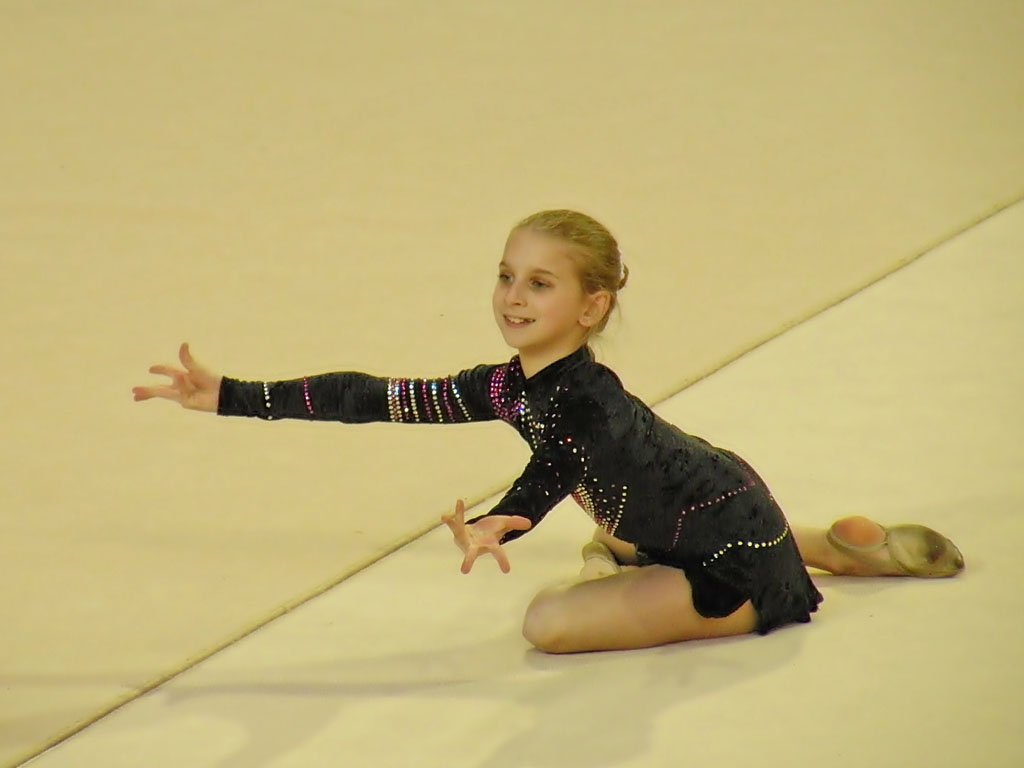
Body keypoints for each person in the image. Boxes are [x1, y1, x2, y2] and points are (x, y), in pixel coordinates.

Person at [132, 209, 964, 654]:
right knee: (609, 526)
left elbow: (559, 461)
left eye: (539, 283)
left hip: (722, 557)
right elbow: (375, 396)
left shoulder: (586, 401)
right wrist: (232, 394)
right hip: (704, 503)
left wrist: (508, 517)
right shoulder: (508, 385)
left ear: (592, 307)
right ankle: (817, 541)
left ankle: (781, 574)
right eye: (505, 276)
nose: (512, 297)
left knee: (547, 625)